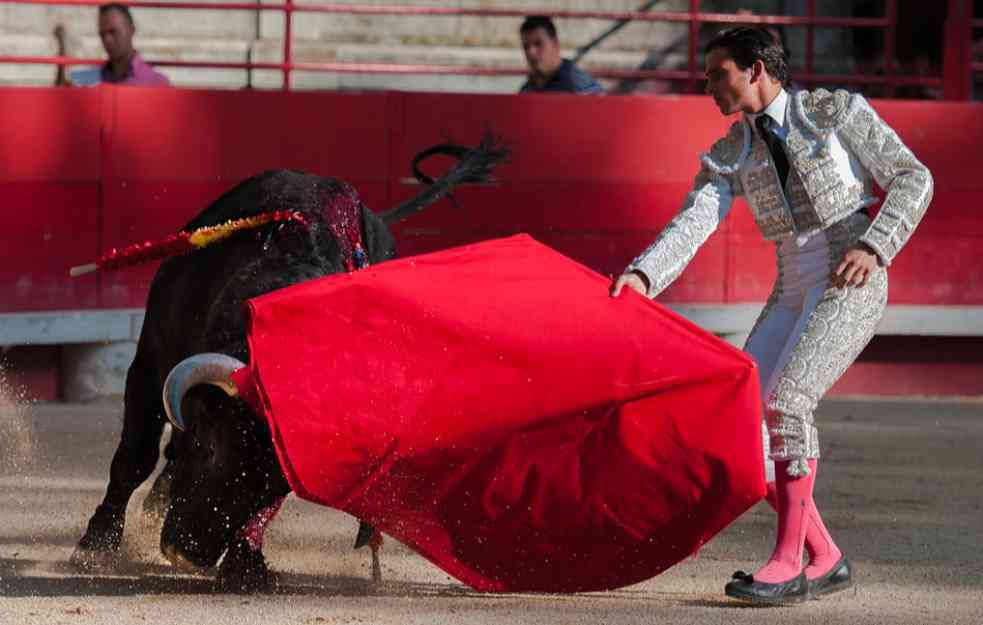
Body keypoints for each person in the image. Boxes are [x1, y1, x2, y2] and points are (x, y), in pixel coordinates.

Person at [610, 26, 932, 605]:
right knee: (740, 415)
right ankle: (825, 555)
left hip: (851, 275)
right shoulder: (732, 149)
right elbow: (695, 219)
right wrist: (644, 276)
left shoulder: (836, 111)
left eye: (717, 73)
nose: (708, 84)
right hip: (793, 285)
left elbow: (913, 176)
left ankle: (788, 562)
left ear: (756, 69)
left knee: (787, 403)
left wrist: (876, 244)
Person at [518, 16, 604, 95]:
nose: (531, 52)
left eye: (538, 44)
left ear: (555, 44)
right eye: (526, 47)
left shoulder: (580, 85)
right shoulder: (527, 89)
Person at [98, 3, 170, 86]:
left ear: (131, 29)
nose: (107, 40)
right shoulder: (93, 80)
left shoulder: (157, 82)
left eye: (113, 32)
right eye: (102, 34)